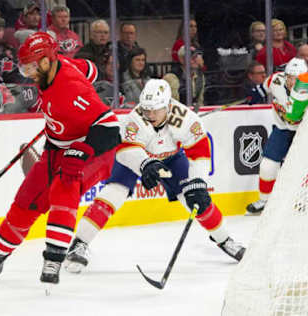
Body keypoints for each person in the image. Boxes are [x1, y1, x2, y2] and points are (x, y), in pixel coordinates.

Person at [0, 32, 120, 286]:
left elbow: (110, 128)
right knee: (26, 199)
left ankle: (54, 258)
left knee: (64, 185)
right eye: (25, 66)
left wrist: (81, 150)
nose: (28, 72)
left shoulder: (70, 88)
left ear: (47, 60)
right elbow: (90, 69)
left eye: (33, 66)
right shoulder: (57, 67)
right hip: (58, 145)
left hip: (95, 150)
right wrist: (59, 124)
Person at [65, 79, 246, 274]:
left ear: (168, 105)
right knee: (114, 192)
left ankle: (225, 240)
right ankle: (79, 243)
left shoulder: (187, 120)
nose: (149, 115)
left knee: (197, 200)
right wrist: (145, 164)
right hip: (138, 158)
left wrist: (198, 182)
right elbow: (126, 150)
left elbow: (200, 152)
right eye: (146, 109)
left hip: (171, 159)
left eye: (155, 110)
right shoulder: (135, 120)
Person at [246, 57, 308, 214]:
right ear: (285, 76)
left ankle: (302, 200)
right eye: (291, 78)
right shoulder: (276, 81)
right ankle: (264, 201)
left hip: (303, 132)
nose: (294, 82)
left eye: (298, 79)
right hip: (282, 129)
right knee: (267, 166)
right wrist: (254, 95)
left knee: (301, 170)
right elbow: (263, 88)